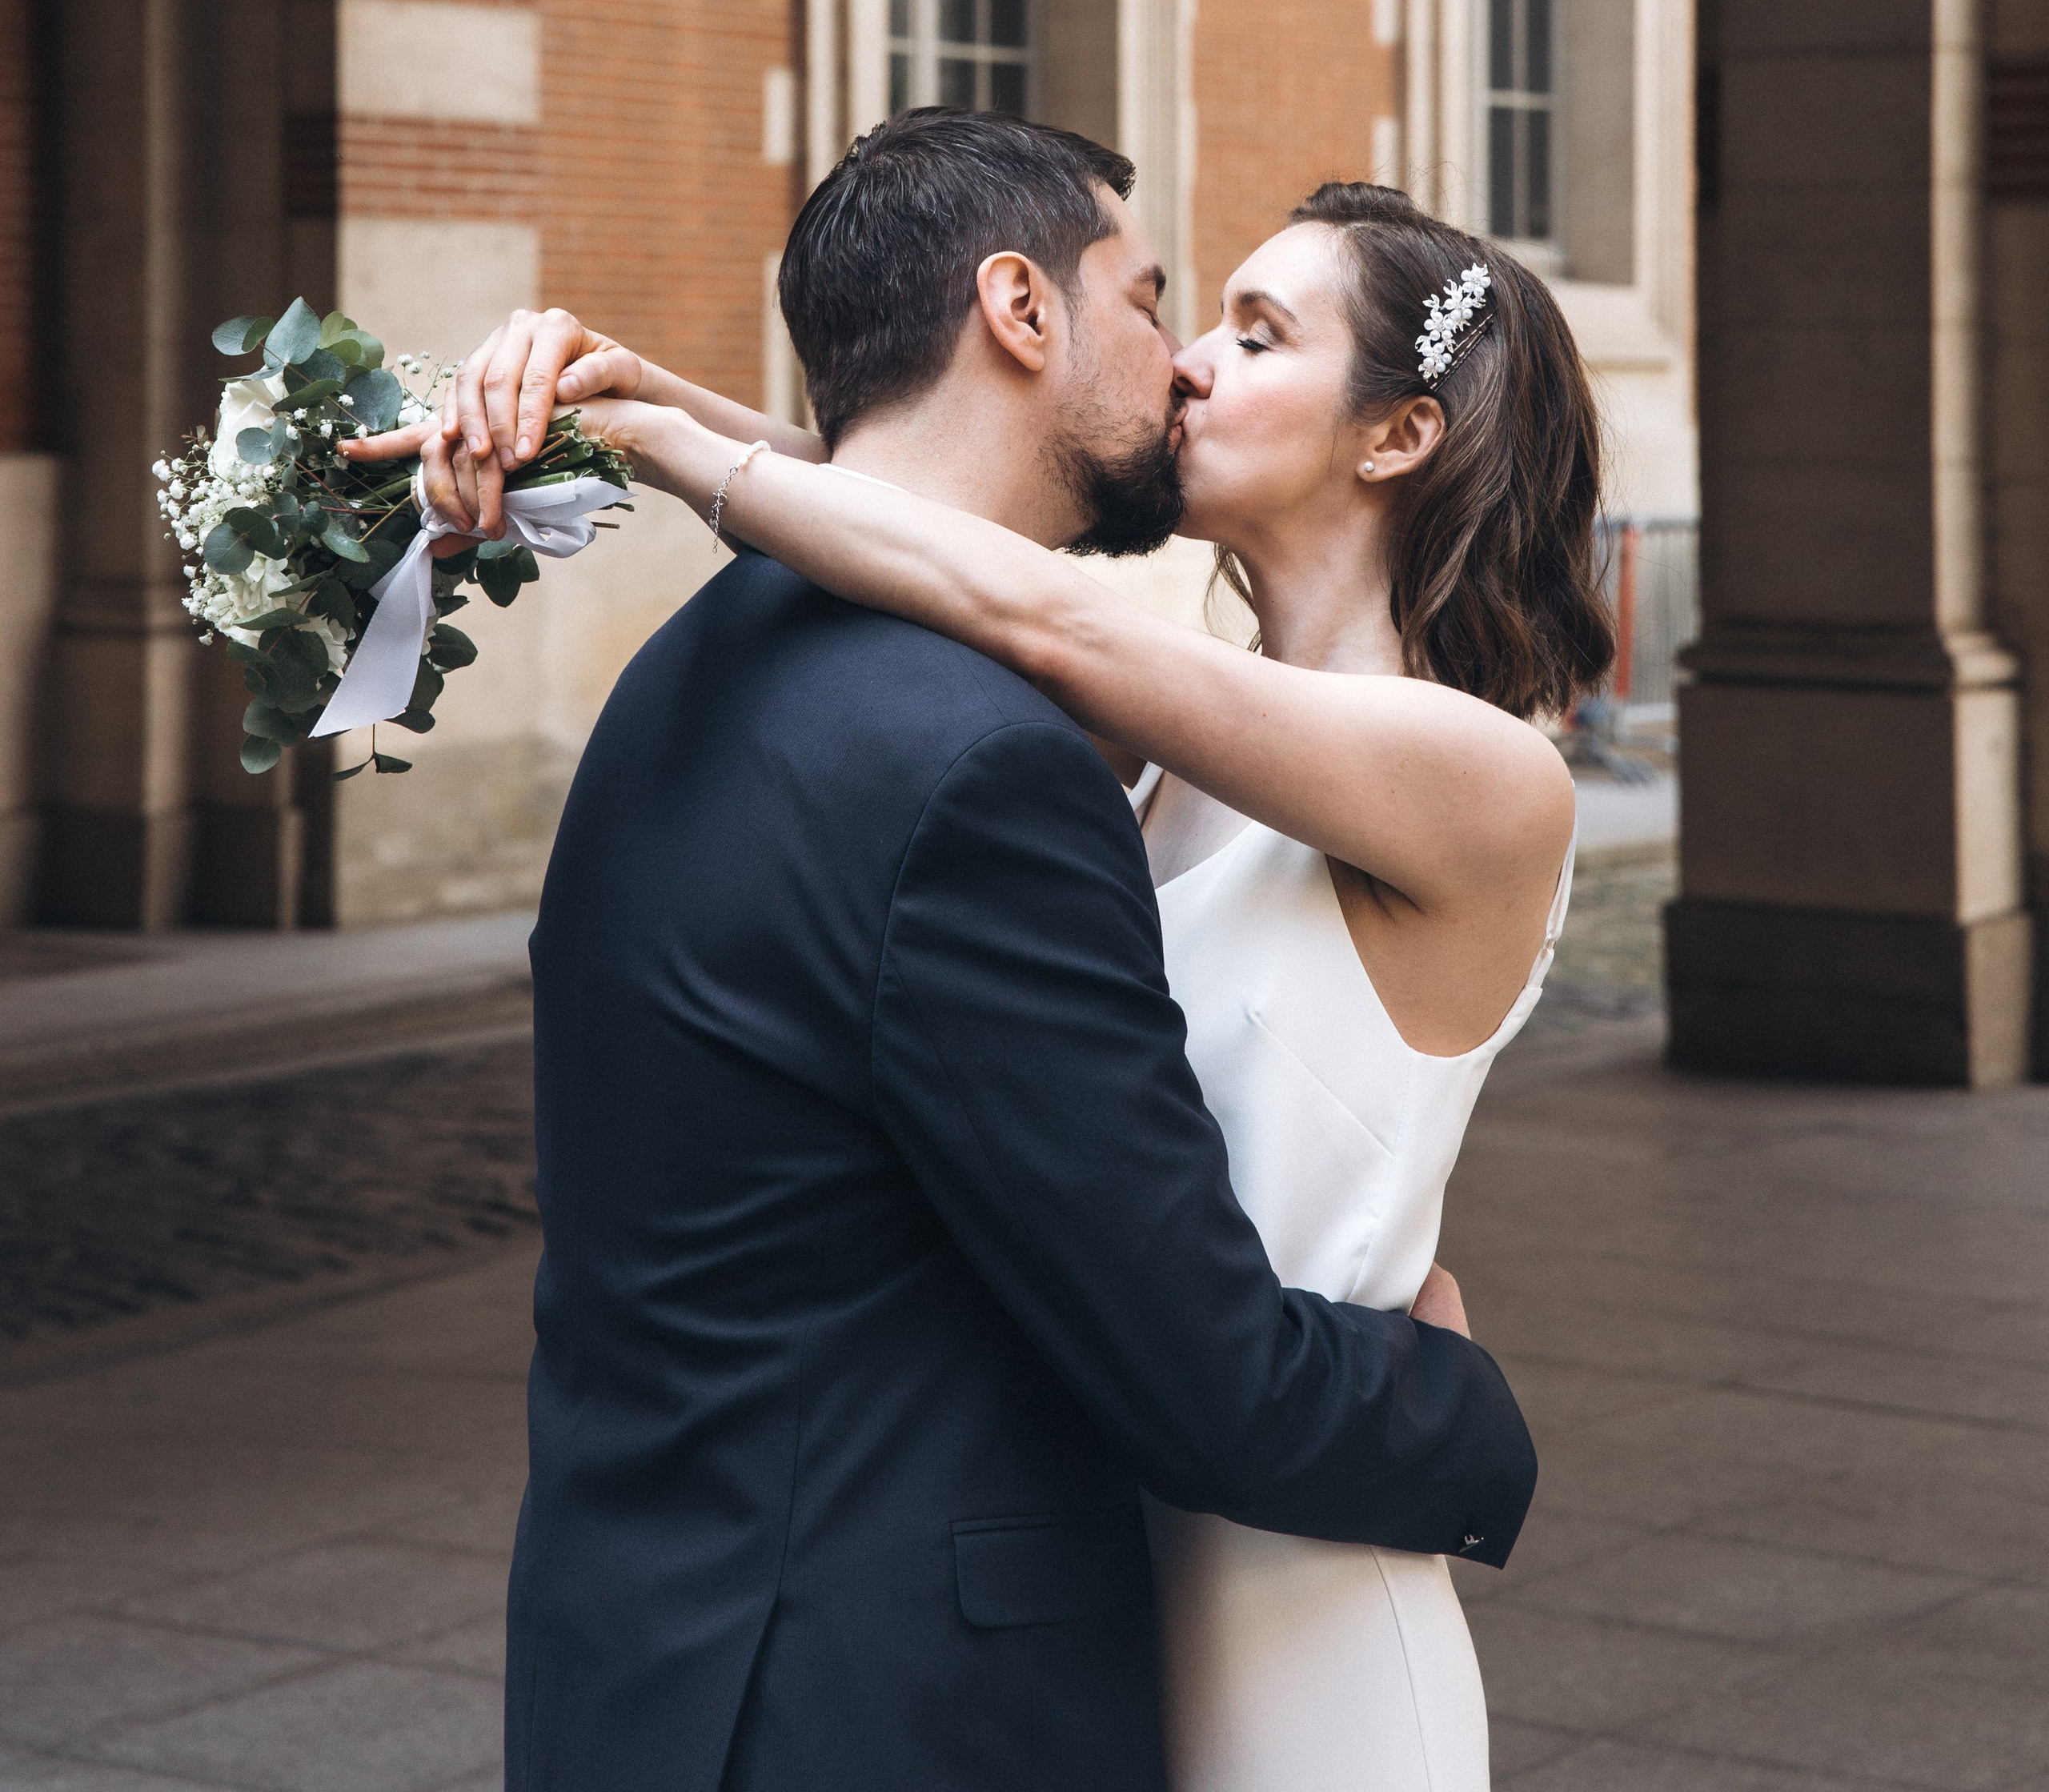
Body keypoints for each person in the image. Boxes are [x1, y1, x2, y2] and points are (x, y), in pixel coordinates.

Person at [371, 116, 1586, 1792]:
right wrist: (656, 411)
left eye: (1249, 332)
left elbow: (1016, 600)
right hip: (1120, 1532)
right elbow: (958, 559)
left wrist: (668, 441)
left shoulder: (1468, 774)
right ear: (1020, 313)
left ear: (1395, 434)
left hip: (1288, 1567)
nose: (1182, 369)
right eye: (1177, 309)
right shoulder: (1128, 751)